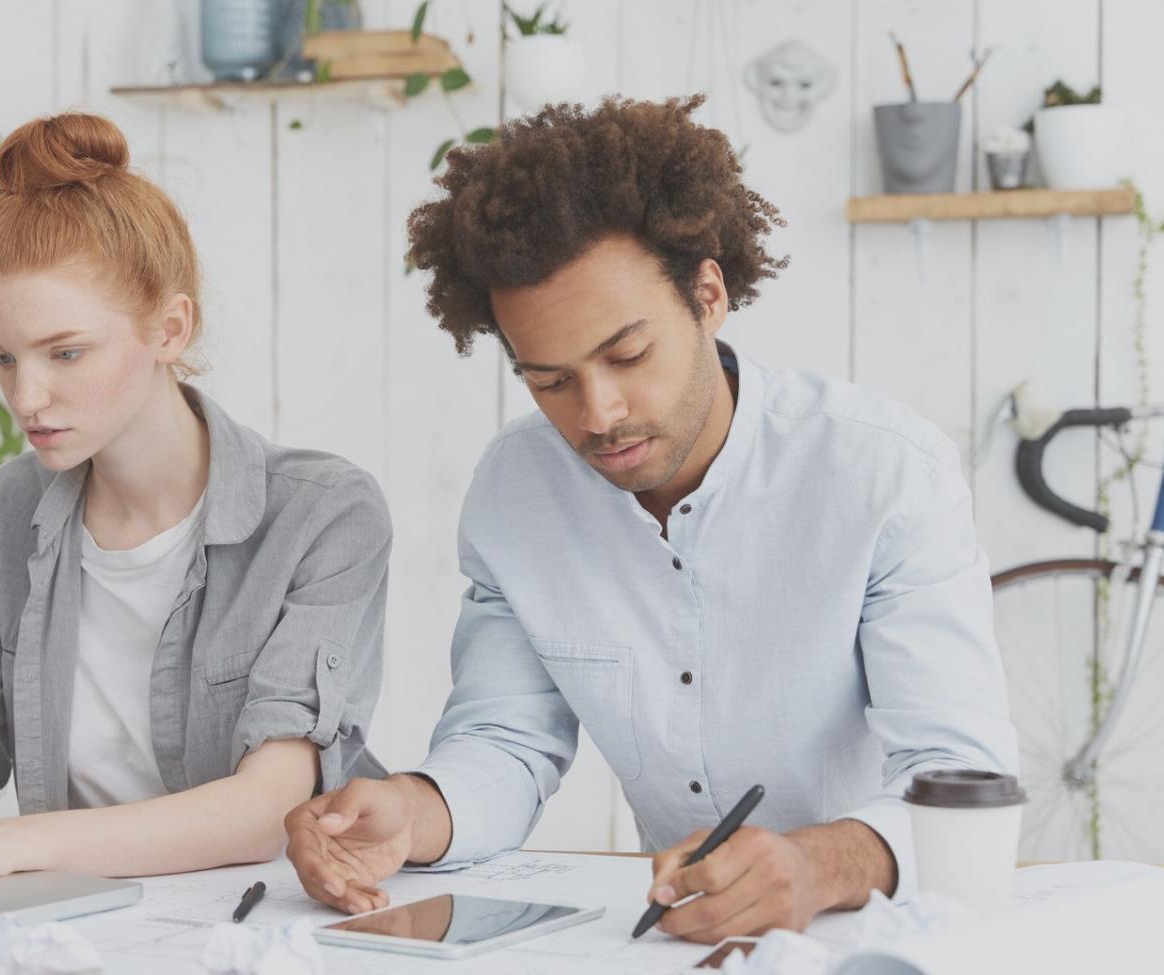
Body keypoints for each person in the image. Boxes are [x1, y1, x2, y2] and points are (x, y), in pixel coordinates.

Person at [284, 96, 1018, 944]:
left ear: (707, 295)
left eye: (627, 355)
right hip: (681, 944)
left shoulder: (881, 472)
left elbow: (960, 778)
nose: (598, 414)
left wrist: (816, 864)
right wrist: (411, 812)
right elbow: (504, 742)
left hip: (891, 936)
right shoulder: (515, 492)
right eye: (548, 379)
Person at [0, 113, 391, 879]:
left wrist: (4, 845)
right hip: (67, 927)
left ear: (170, 328)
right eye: (3, 357)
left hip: (254, 924)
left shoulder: (322, 514)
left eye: (65, 352)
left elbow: (266, 804)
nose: (25, 397)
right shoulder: (9, 507)